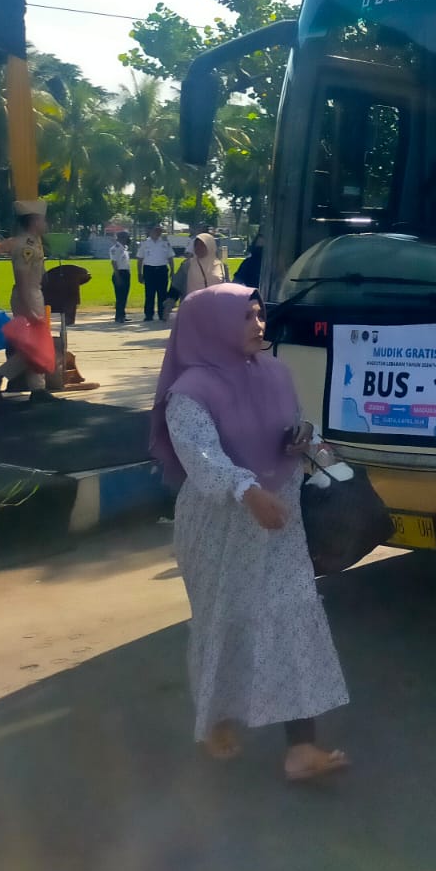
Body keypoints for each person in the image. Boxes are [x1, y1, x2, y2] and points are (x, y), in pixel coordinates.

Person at [147, 283, 350, 781]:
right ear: (211, 326)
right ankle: (216, 720)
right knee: (225, 621)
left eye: (260, 314)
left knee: (291, 618)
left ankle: (301, 747)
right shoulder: (190, 392)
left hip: (279, 517)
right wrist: (247, 491)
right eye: (246, 316)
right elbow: (202, 457)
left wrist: (304, 437)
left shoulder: (275, 372)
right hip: (220, 526)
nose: (259, 324)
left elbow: (295, 424)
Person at [0, 200, 52, 401]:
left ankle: (26, 384)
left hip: (33, 292)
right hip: (28, 294)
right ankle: (13, 380)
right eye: (43, 219)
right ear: (34, 221)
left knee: (35, 346)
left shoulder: (34, 241)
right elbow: (22, 279)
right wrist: (29, 309)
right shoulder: (25, 245)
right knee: (36, 346)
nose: (46, 223)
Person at [138, 224, 174, 323]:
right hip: (149, 270)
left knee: (162, 293)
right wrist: (139, 273)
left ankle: (162, 314)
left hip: (162, 269)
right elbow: (140, 259)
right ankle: (148, 315)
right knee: (149, 293)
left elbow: (170, 257)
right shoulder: (145, 243)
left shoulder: (165, 243)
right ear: (151, 231)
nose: (158, 232)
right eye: (156, 230)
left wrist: (172, 270)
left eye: (159, 230)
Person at [177, 233, 229, 298]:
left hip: (216, 302)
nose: (198, 248)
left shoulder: (222, 266)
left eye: (202, 245)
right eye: (196, 245)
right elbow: (176, 286)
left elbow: (228, 287)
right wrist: (170, 301)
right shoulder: (187, 265)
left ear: (210, 246)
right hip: (193, 302)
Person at [108, 234, 132, 324]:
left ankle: (122, 315)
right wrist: (117, 276)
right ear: (122, 238)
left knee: (124, 296)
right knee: (120, 296)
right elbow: (113, 263)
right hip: (120, 273)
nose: (128, 239)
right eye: (127, 238)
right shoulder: (115, 248)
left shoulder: (125, 248)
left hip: (126, 273)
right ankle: (118, 316)